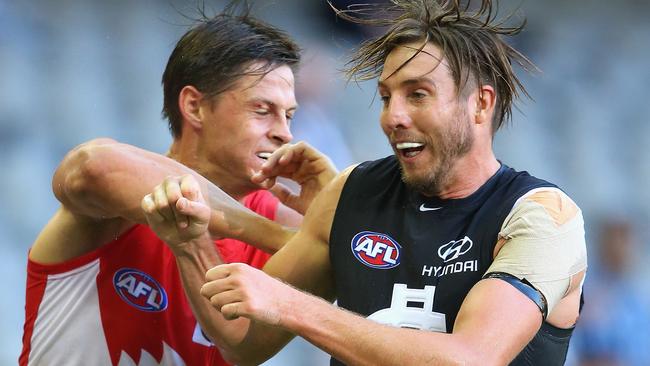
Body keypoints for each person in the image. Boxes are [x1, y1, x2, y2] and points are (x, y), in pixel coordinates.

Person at [144, 1, 588, 365]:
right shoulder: (350, 193)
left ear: (480, 104)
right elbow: (243, 343)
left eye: (417, 94)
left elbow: (469, 360)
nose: (392, 117)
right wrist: (191, 245)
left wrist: (291, 305)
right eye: (385, 97)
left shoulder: (543, 216)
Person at [19, 3, 337, 366]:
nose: (284, 132)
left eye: (289, 115)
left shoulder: (288, 224)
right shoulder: (124, 194)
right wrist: (278, 237)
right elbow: (94, 167)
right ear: (194, 106)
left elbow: (246, 348)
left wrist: (327, 211)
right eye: (262, 110)